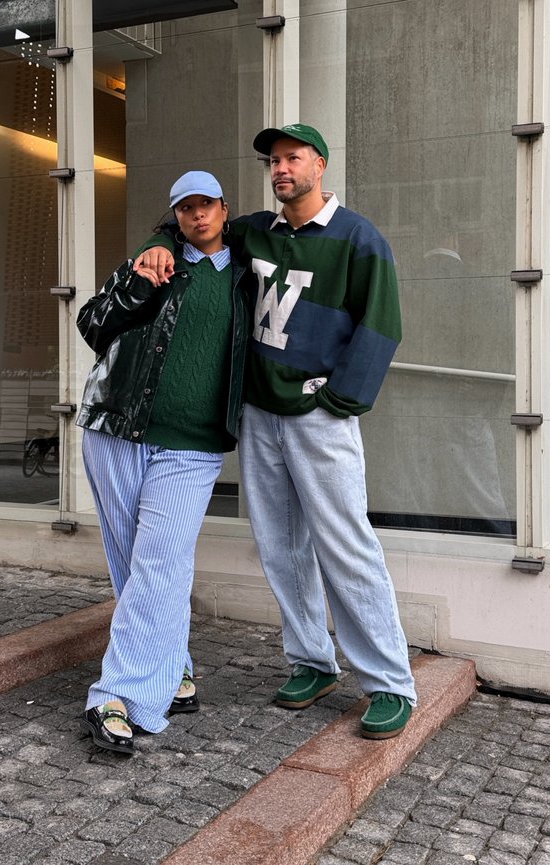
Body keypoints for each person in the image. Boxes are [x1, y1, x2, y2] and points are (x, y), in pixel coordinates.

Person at [135, 124, 417, 740]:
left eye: (293, 158)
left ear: (319, 163)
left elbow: (382, 324)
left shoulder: (357, 238)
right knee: (281, 546)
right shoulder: (254, 229)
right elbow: (195, 220)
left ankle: (391, 682)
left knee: (346, 545)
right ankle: (312, 661)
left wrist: (341, 399)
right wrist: (159, 239)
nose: (281, 168)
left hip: (320, 417)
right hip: (259, 416)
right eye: (273, 160)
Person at [76, 171, 250, 754]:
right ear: (174, 214)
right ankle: (173, 670)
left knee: (162, 560)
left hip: (193, 444)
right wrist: (137, 285)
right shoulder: (153, 263)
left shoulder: (248, 273)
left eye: (206, 205)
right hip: (117, 429)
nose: (197, 216)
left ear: (225, 209)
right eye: (185, 208)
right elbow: (92, 325)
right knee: (134, 561)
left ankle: (116, 695)